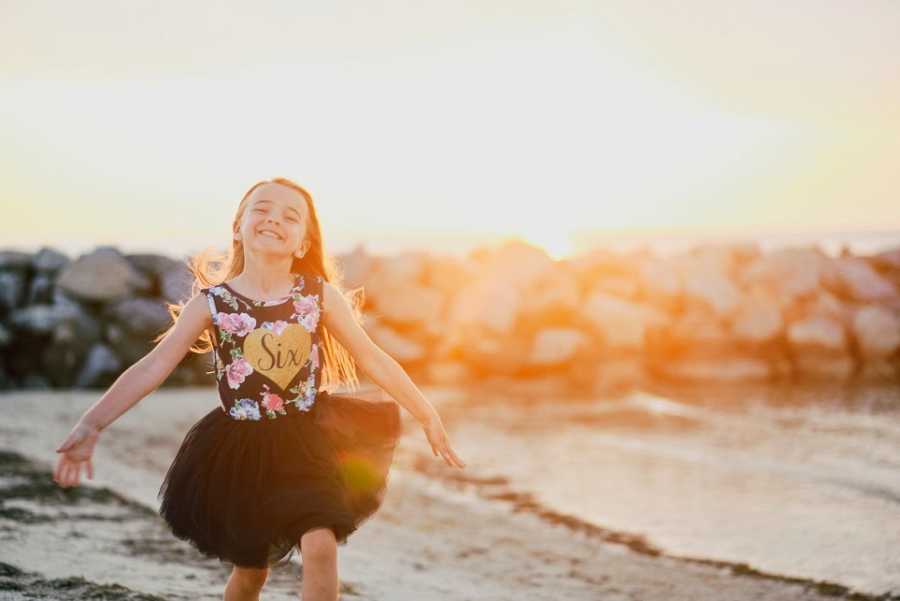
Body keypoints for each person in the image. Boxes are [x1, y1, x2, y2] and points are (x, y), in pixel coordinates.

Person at [53, 177, 466, 601]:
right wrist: (92, 423)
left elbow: (373, 356)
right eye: (262, 209)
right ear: (238, 226)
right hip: (241, 449)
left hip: (308, 441)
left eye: (291, 216)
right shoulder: (212, 303)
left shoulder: (317, 295)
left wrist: (426, 413)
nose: (274, 220)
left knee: (320, 546)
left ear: (303, 243)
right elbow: (154, 365)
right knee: (252, 572)